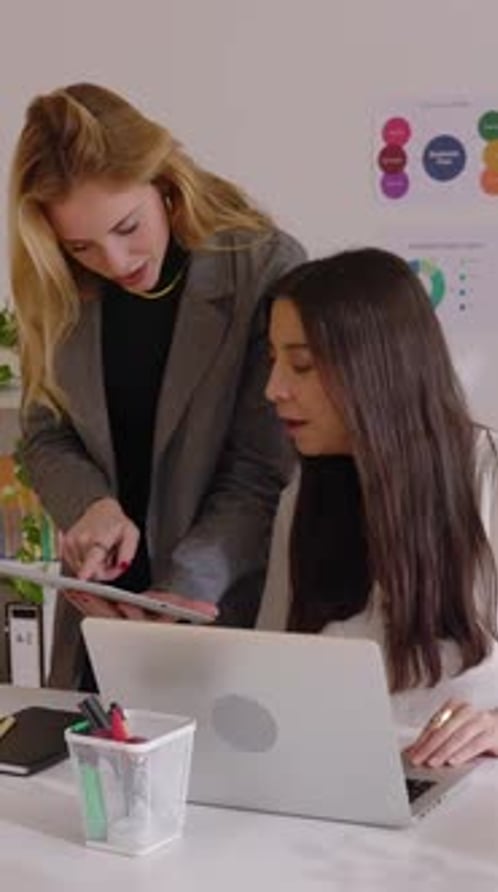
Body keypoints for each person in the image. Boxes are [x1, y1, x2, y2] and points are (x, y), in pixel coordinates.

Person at [8, 82, 306, 689]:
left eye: (127, 226)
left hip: (213, 615)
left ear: (165, 183)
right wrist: (91, 507)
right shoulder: (54, 281)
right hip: (96, 619)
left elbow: (259, 472)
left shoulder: (263, 268)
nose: (115, 263)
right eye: (82, 245)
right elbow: (44, 437)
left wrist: (176, 595)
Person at [259, 247, 498, 768]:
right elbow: (274, 676)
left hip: (467, 794)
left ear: (374, 368)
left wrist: (494, 727)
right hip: (332, 780)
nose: (273, 389)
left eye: (301, 364)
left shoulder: (489, 477)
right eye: (273, 360)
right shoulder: (302, 498)